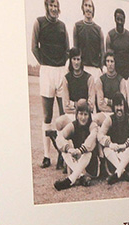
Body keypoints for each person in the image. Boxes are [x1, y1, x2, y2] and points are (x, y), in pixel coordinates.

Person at [31, 0, 68, 169]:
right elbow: (34, 47)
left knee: (63, 116)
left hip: (61, 70)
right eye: (51, 5)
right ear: (46, 6)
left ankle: (63, 154)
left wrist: (60, 62)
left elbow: (67, 49)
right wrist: (44, 62)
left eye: (56, 5)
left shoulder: (62, 26)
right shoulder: (39, 22)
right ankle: (47, 156)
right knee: (47, 116)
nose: (54, 8)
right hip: (46, 71)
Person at [53, 99, 98, 189]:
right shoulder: (73, 125)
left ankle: (70, 180)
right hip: (77, 163)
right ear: (76, 115)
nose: (83, 117)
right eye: (80, 114)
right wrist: (70, 149)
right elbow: (59, 137)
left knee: (87, 152)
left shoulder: (92, 125)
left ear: (89, 116)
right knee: (64, 151)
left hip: (91, 165)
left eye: (86, 114)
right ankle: (81, 177)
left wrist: (80, 151)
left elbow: (92, 138)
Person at [99, 93, 129, 184]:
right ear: (113, 107)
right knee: (106, 149)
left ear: (124, 106)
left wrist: (125, 144)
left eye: (121, 105)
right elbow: (100, 135)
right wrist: (111, 144)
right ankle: (122, 172)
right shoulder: (109, 119)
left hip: (126, 154)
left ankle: (117, 174)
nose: (119, 108)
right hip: (115, 154)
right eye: (116, 105)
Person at [71, 0, 104, 79]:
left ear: (93, 9)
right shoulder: (77, 26)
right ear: (82, 8)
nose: (88, 8)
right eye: (86, 5)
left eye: (90, 6)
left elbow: (102, 52)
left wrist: (100, 68)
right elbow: (75, 51)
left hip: (95, 69)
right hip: (82, 69)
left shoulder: (98, 30)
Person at [94, 52, 126, 124]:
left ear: (115, 63)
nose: (110, 64)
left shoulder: (121, 80)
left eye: (112, 61)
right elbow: (100, 104)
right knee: (95, 120)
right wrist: (114, 104)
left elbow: (123, 102)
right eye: (107, 61)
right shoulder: (100, 80)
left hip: (118, 114)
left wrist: (108, 101)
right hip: (105, 113)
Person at [106, 7, 129, 79]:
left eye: (122, 19)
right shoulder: (110, 35)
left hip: (127, 73)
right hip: (114, 74)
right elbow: (108, 57)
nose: (120, 22)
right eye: (118, 19)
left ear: (124, 20)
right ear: (115, 19)